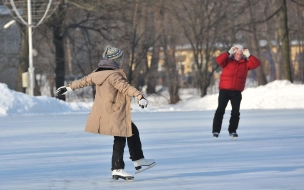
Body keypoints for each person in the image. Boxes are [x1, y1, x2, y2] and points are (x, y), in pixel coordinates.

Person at [56, 46, 155, 181]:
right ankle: (118, 168)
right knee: (120, 137)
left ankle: (138, 160)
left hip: (106, 111)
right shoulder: (114, 75)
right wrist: (139, 96)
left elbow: (83, 81)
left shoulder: (97, 73)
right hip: (115, 110)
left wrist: (68, 87)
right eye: (120, 59)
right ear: (115, 60)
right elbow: (125, 88)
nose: (122, 62)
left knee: (132, 131)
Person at [212, 44, 260, 139]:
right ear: (234, 54)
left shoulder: (246, 64)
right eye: (236, 54)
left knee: (235, 112)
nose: (238, 56)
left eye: (240, 54)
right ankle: (216, 130)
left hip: (236, 92)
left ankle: (232, 131)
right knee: (220, 110)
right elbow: (218, 60)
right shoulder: (227, 61)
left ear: (243, 54)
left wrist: (249, 55)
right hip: (224, 91)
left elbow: (257, 63)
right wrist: (228, 52)